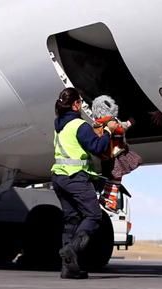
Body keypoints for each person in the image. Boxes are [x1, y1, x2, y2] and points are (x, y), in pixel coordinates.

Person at [51, 87, 118, 279]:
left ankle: (69, 269)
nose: (82, 105)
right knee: (94, 216)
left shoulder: (59, 125)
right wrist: (108, 132)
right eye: (81, 101)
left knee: (71, 220)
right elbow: (97, 148)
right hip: (75, 178)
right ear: (76, 104)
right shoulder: (79, 125)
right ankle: (71, 249)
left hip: (59, 177)